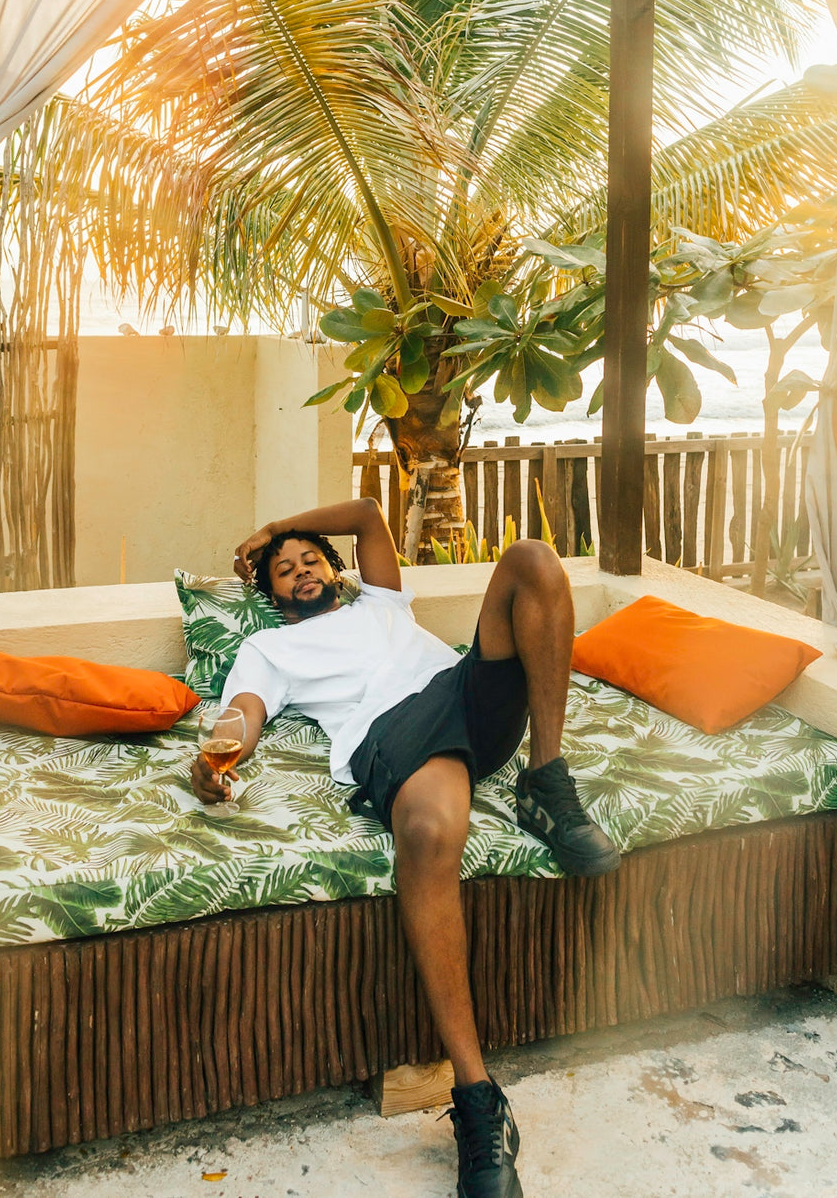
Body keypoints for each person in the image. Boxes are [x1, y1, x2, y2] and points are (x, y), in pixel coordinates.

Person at [190, 497, 619, 1198]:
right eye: (284, 571)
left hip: (464, 689)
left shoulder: (381, 601)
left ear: (334, 570)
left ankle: (545, 778)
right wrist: (216, 760)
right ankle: (478, 1099)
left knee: (533, 561)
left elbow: (366, 513)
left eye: (310, 560)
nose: (300, 571)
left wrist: (274, 528)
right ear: (272, 596)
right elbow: (243, 714)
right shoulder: (269, 649)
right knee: (427, 833)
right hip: (396, 730)